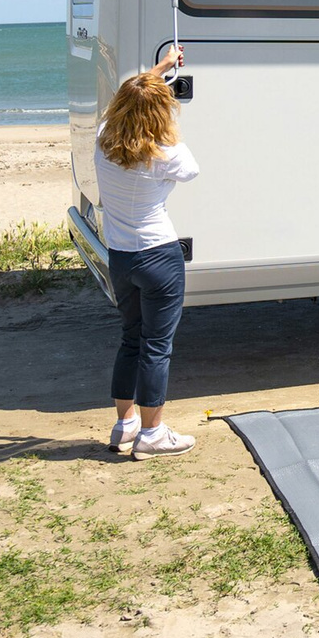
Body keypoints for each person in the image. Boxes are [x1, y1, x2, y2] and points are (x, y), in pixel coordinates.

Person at [94, 48, 200, 458]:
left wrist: (159, 69)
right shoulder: (165, 154)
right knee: (157, 346)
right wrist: (166, 121)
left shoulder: (104, 139)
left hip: (121, 257)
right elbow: (191, 169)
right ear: (158, 114)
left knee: (132, 339)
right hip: (158, 257)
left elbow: (125, 99)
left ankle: (125, 426)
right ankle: (153, 434)